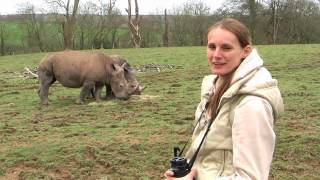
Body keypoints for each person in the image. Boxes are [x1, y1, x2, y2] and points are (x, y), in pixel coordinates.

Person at [164, 18, 284, 180]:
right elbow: (212, 155)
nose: (216, 55)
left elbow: (251, 177)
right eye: (212, 47)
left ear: (245, 51)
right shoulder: (215, 87)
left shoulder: (251, 105)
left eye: (226, 48)